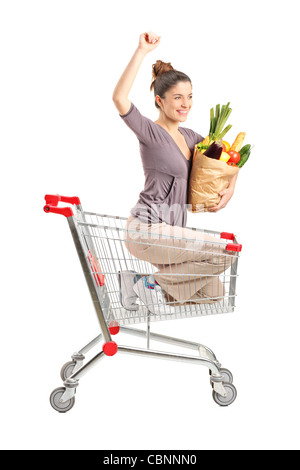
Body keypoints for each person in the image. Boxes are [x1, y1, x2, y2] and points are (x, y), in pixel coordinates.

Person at [113, 32, 237, 315]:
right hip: (146, 229)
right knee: (225, 250)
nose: (186, 104)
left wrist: (230, 188)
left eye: (190, 97)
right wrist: (141, 51)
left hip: (173, 232)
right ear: (160, 100)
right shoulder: (150, 132)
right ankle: (150, 283)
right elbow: (119, 98)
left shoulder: (191, 137)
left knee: (213, 294)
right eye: (178, 97)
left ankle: (138, 284)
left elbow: (228, 158)